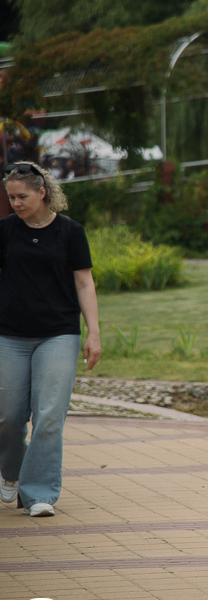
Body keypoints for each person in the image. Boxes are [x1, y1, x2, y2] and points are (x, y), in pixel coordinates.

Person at [0, 161, 101, 517]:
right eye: (11, 197)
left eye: (22, 196)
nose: (16, 203)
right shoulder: (5, 231)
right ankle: (11, 471)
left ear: (42, 193)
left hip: (58, 334)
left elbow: (84, 282)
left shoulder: (70, 233)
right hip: (9, 334)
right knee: (8, 417)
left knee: (48, 416)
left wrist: (94, 332)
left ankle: (40, 492)